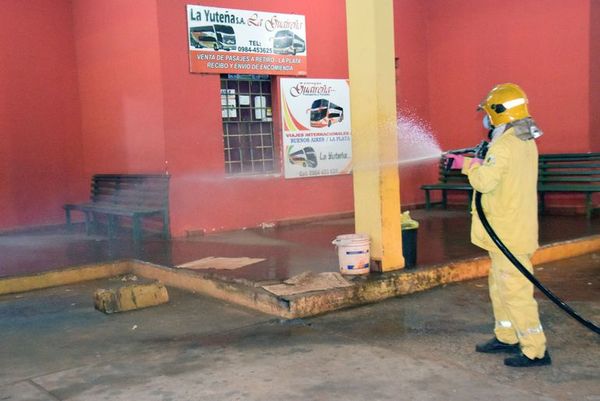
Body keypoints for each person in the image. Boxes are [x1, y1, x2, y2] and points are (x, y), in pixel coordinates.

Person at [446, 83, 551, 367]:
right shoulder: (521, 138)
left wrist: (465, 165)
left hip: (509, 232)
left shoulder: (505, 145)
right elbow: (500, 174)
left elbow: (485, 181)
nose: (486, 118)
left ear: (498, 112)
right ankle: (506, 335)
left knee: (515, 291)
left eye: (488, 112)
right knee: (500, 286)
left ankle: (534, 349)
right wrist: (481, 159)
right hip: (507, 228)